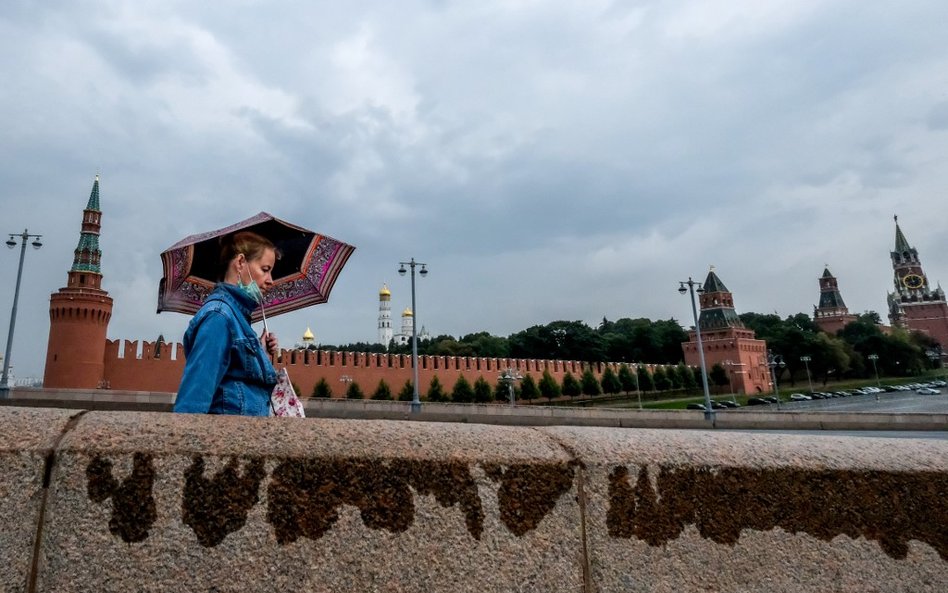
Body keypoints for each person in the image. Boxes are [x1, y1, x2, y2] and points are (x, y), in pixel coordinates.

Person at [173, 231, 281, 415]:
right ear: (240, 263)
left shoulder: (236, 317)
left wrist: (261, 352)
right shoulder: (219, 318)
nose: (271, 280)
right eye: (265, 269)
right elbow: (192, 401)